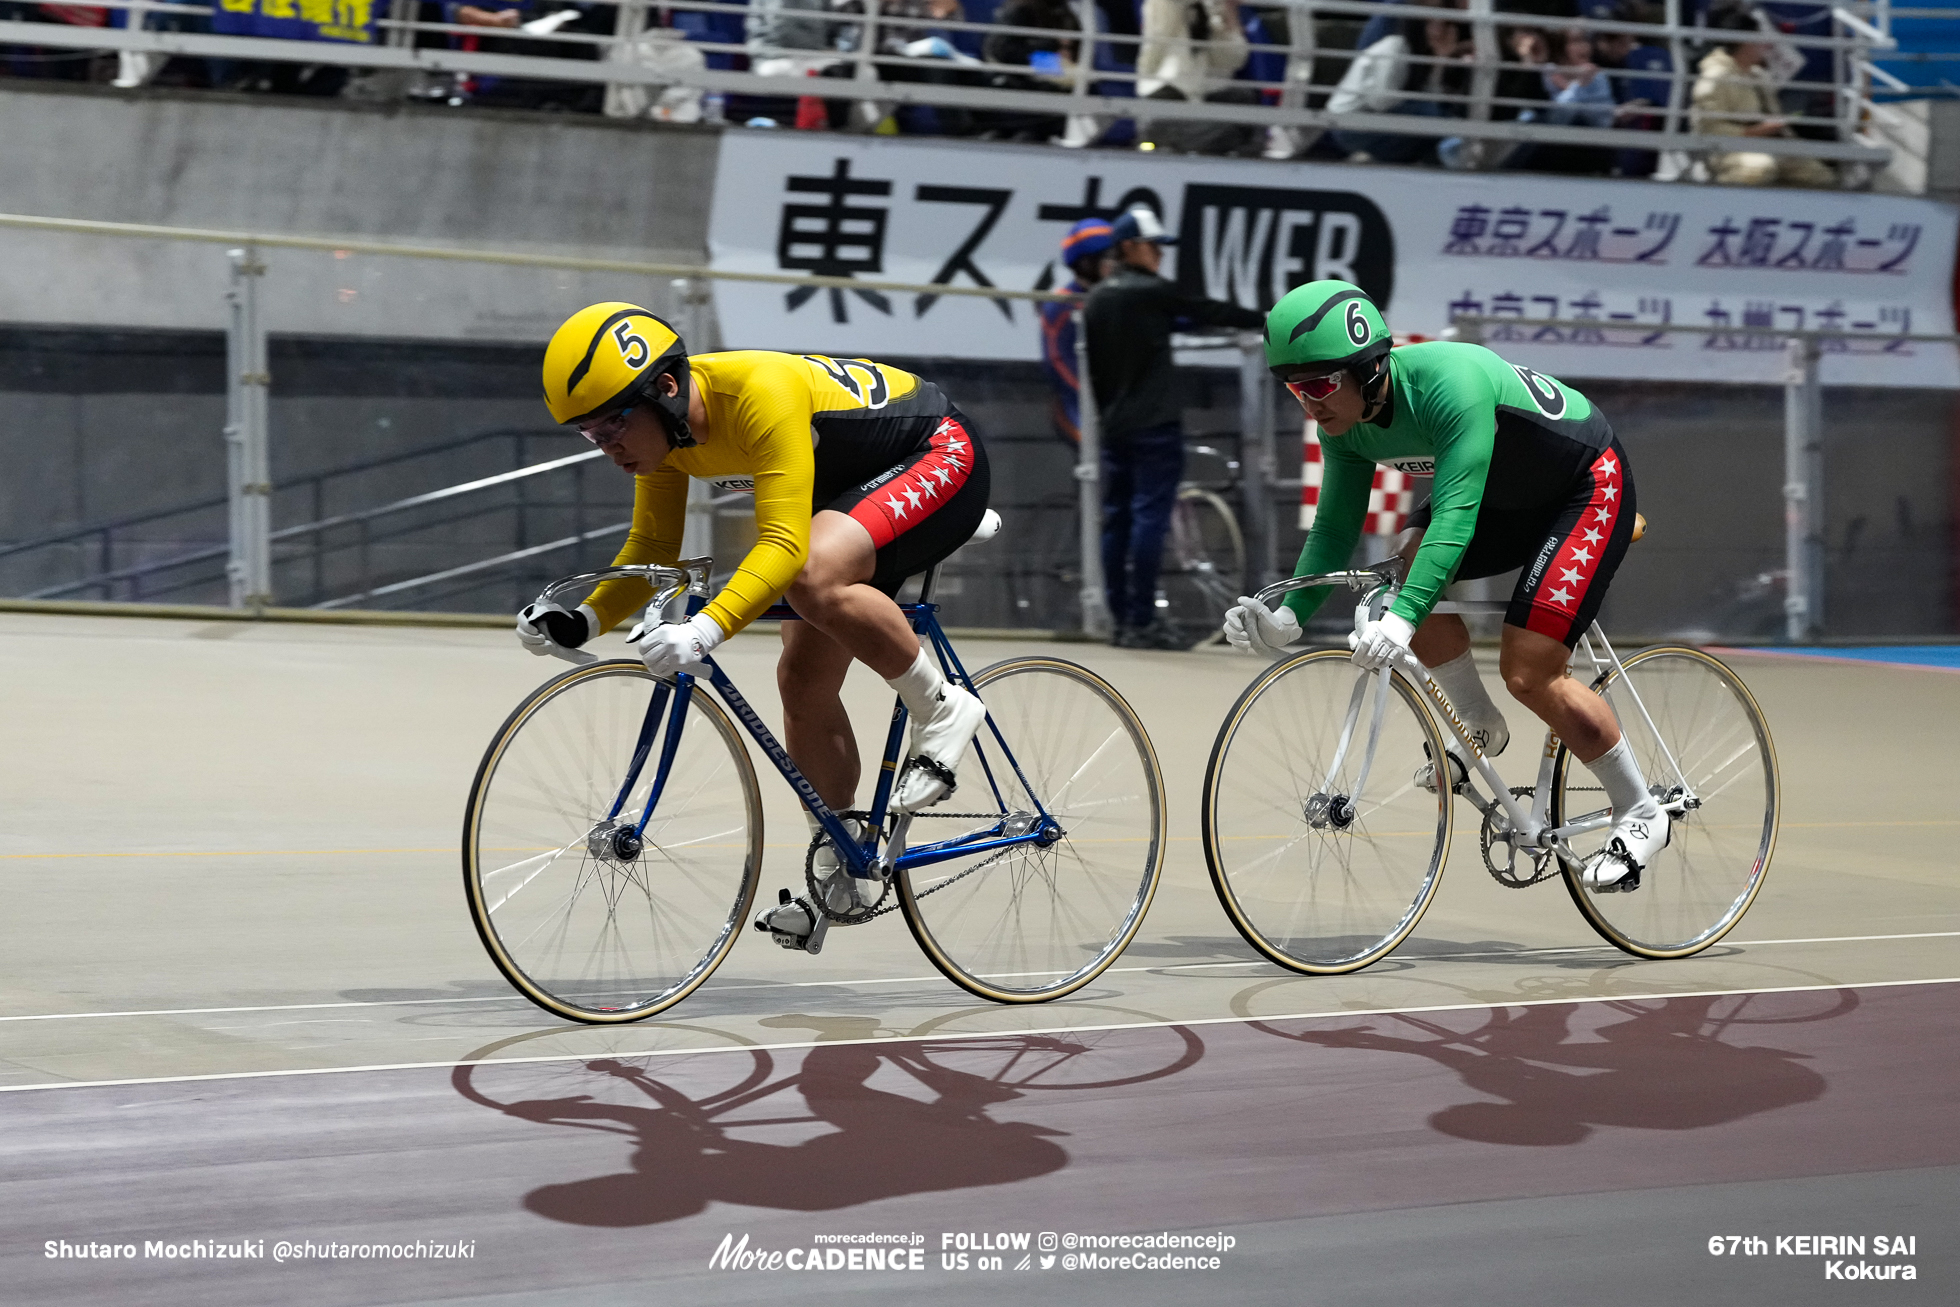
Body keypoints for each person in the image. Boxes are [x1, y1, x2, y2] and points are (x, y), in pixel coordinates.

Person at [520, 303, 992, 949]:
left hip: (938, 452)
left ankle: (942, 707)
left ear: (665, 386)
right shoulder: (667, 439)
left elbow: (780, 544)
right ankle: (845, 866)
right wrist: (584, 619)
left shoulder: (756, 393)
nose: (609, 447)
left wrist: (705, 629)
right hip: (848, 492)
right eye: (589, 433)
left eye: (614, 424)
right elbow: (652, 545)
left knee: (809, 577)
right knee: (800, 683)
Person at [1224, 281, 1663, 892]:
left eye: (1321, 384)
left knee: (1529, 672)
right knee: (1401, 570)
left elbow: (1454, 518)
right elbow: (1334, 528)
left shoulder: (1447, 382)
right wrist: (1291, 615)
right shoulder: (1342, 425)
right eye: (1295, 387)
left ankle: (1642, 811)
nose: (1308, 402)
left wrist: (1403, 620)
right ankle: (1479, 724)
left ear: (1369, 367)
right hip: (1500, 495)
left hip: (1583, 487)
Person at [1084, 207, 1264, 649]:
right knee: (1149, 519)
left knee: (1117, 522)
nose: (1160, 255)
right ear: (1130, 247)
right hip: (1155, 424)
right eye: (1154, 246)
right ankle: (1144, 620)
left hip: (1114, 426)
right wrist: (1268, 319)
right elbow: (1206, 310)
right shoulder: (1151, 292)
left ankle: (1123, 619)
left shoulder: (1098, 298)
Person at [1692, 1, 1835, 187]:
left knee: (1818, 174)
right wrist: (1755, 131)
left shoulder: (1758, 75)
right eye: (1759, 39)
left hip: (1769, 144)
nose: (1764, 46)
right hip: (1728, 151)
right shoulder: (1715, 78)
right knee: (1759, 168)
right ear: (1745, 43)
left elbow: (1773, 118)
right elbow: (1709, 129)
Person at [1039, 217, 1117, 445]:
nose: (1116, 265)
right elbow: (1059, 361)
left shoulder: (1118, 296)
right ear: (1086, 263)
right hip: (1076, 405)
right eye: (1109, 258)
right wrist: (1093, 395)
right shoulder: (1062, 305)